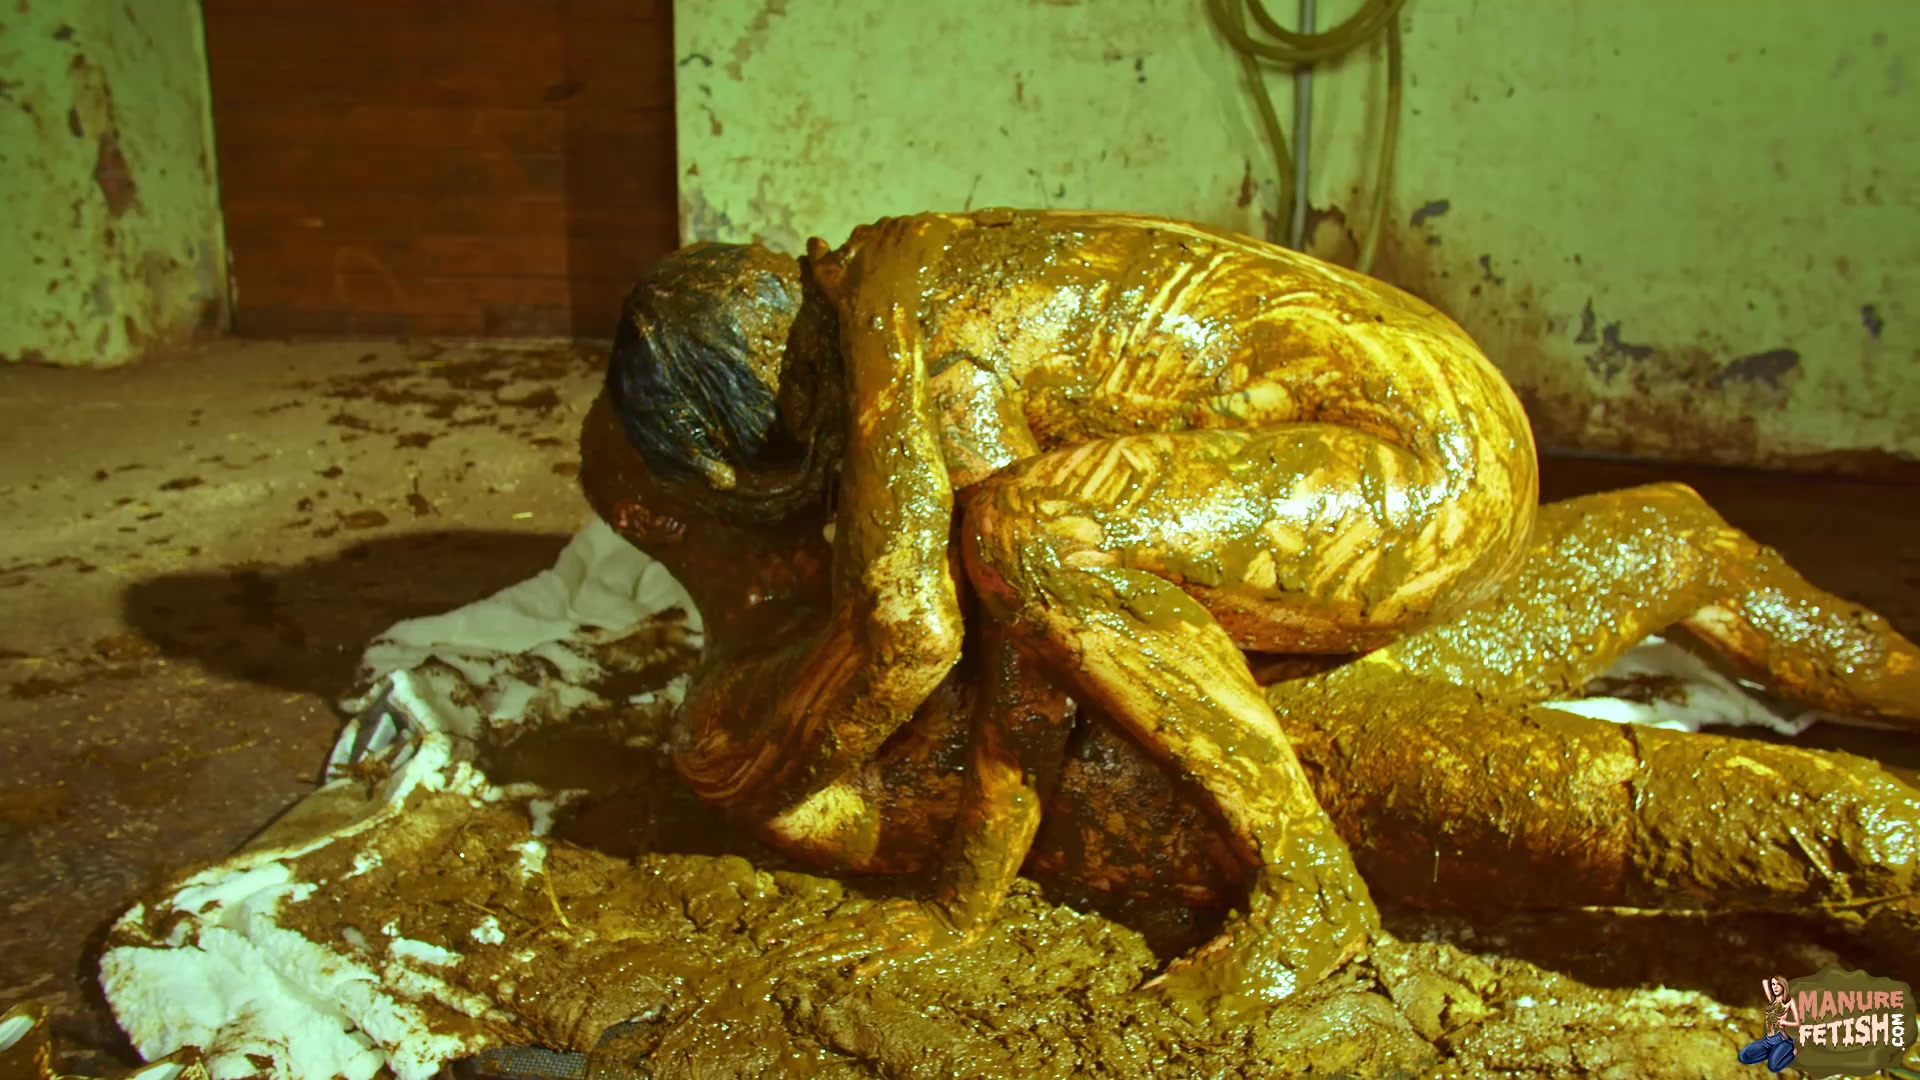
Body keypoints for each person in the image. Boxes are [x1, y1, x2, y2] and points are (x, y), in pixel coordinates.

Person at [597, 209, 1539, 999]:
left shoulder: (929, 349)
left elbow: (1007, 652)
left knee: (1032, 537)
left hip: (1438, 485)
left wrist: (961, 903)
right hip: (1461, 425)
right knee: (1042, 543)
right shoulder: (895, 274)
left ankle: (1310, 885)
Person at [1738, 974, 1800, 1072]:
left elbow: (1797, 1023)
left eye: (1778, 984)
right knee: (1743, 1056)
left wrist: (1784, 1022)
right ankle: (1770, 1053)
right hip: (1768, 1040)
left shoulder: (1789, 1002)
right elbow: (1764, 982)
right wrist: (1772, 980)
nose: (1775, 987)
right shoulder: (1772, 999)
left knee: (1773, 1067)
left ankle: (1792, 1053)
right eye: (1773, 984)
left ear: (1783, 986)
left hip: (1781, 1039)